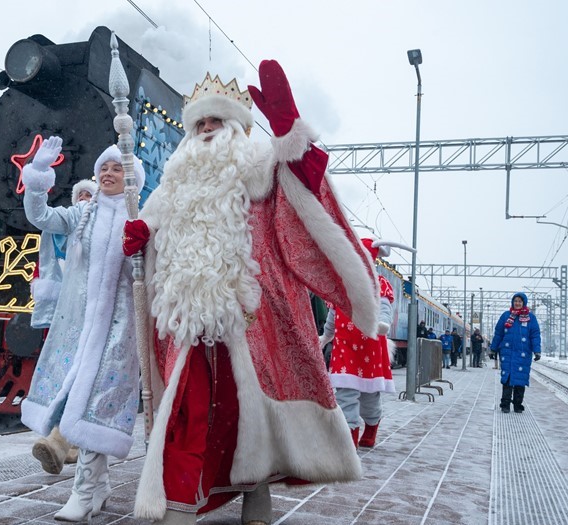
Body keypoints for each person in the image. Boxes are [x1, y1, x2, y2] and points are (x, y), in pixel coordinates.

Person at [124, 61, 380, 525]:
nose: (205, 130)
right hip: (189, 324)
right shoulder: (173, 185)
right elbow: (156, 224)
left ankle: (256, 491)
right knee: (189, 409)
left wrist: (292, 138)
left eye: (214, 121)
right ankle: (181, 505)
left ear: (237, 129)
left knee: (248, 411)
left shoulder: (261, 169)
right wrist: (145, 231)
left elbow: (305, 196)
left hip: (254, 320)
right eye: (198, 123)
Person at [20, 139, 144, 521]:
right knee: (77, 400)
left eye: (116, 169)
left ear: (131, 178)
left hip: (118, 331)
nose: (108, 174)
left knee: (96, 403)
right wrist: (38, 177)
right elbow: (40, 217)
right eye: (104, 169)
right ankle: (97, 486)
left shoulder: (139, 217)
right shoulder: (82, 214)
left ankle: (84, 491)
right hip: (77, 327)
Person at [27, 178, 97, 475]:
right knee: (72, 373)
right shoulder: (69, 219)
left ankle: (63, 442)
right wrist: (36, 179)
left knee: (85, 376)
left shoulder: (108, 221)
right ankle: (64, 442)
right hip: (69, 309)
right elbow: (41, 216)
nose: (83, 197)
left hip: (98, 308)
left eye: (88, 193)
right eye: (79, 193)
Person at [320, 238, 397, 449]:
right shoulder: (340, 286)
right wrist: (326, 336)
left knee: (369, 397)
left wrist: (383, 324)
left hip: (370, 349)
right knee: (345, 394)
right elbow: (333, 315)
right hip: (344, 348)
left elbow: (384, 309)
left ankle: (371, 426)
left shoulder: (379, 284)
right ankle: (350, 437)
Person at [490, 292, 541, 413]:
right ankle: (505, 404)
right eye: (515, 301)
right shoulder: (506, 316)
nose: (517, 303)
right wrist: (493, 348)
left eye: (520, 301)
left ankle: (518, 405)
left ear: (524, 303)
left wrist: (537, 351)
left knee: (520, 380)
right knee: (507, 379)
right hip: (507, 353)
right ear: (512, 302)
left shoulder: (531, 318)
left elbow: (535, 335)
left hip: (523, 354)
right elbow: (498, 334)